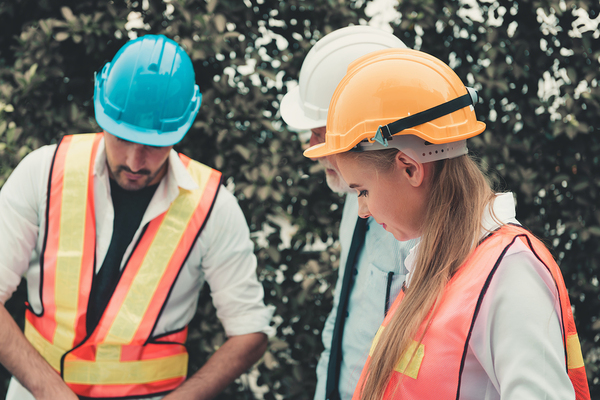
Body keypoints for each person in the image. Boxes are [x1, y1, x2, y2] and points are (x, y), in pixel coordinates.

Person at [303, 48, 591, 400]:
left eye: (362, 191)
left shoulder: (510, 272)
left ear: (410, 167)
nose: (362, 210)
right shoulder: (440, 264)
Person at [0, 34, 274, 400]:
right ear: (102, 113)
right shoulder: (43, 172)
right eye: (121, 137)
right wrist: (52, 392)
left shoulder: (214, 207)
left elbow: (250, 332)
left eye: (154, 145)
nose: (133, 161)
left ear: (184, 127)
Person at [280, 26, 417, 400]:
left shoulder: (421, 224)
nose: (311, 147)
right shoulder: (354, 200)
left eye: (321, 133)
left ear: (369, 137)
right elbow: (347, 317)